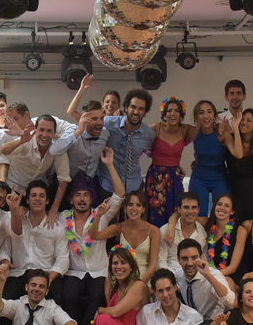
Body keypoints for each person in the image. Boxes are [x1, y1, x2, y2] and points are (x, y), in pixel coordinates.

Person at [59, 152, 125, 325]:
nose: (82, 199)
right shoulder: (61, 218)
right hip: (74, 272)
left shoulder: (101, 214)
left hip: (99, 271)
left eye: (86, 195)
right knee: (69, 298)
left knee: (97, 297)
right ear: (71, 199)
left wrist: (110, 165)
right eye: (78, 195)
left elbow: (120, 194)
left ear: (91, 198)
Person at [2, 179, 69, 300]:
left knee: (58, 298)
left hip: (46, 273)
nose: (37, 199)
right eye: (33, 195)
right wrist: (5, 262)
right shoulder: (16, 220)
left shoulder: (57, 227)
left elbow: (63, 260)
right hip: (19, 273)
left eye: (41, 196)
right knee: (5, 301)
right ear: (27, 200)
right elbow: (5, 248)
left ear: (47, 201)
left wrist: (48, 278)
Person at [0, 114, 71, 218]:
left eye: (49, 131)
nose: (45, 135)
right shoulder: (27, 140)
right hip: (14, 190)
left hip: (36, 194)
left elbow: (64, 179)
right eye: (41, 130)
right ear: (35, 130)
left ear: (55, 133)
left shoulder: (58, 148)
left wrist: (54, 209)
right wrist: (21, 141)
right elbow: (4, 150)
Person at [90, 189, 160, 283]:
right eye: (130, 205)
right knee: (107, 282)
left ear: (143, 209)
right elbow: (95, 235)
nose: (134, 208)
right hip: (124, 279)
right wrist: (98, 216)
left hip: (145, 280)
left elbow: (153, 265)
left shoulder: (154, 231)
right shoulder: (119, 228)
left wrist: (141, 285)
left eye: (138, 205)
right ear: (125, 208)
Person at [145, 97, 195, 225]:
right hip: (156, 177)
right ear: (164, 113)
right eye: (169, 110)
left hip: (175, 177)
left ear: (181, 114)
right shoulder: (156, 127)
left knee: (176, 211)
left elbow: (203, 133)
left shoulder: (185, 130)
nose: (173, 113)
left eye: (177, 111)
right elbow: (140, 141)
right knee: (156, 213)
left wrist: (198, 162)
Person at [98, 88, 155, 195]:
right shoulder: (108, 123)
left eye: (141, 109)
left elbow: (156, 154)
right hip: (108, 186)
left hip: (133, 187)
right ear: (126, 107)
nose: (136, 112)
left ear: (145, 112)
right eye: (133, 107)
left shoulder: (148, 134)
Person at [188, 99, 237, 218]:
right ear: (196, 116)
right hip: (199, 176)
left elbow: (237, 153)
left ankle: (222, 237)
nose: (206, 116)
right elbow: (175, 146)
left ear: (215, 115)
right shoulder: (192, 132)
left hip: (219, 176)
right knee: (198, 213)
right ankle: (198, 237)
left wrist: (234, 131)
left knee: (223, 212)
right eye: (201, 112)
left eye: (209, 112)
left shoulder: (222, 132)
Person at [174, 239, 237, 319]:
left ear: (201, 257)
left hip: (212, 323)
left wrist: (208, 276)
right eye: (185, 258)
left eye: (194, 258)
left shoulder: (213, 274)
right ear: (178, 260)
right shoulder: (178, 274)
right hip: (190, 322)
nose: (190, 263)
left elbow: (231, 302)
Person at [225, 108, 253, 221]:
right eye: (242, 120)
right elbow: (238, 156)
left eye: (248, 121)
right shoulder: (232, 139)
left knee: (250, 185)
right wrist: (235, 130)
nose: (243, 123)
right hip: (235, 189)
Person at [160, 193, 207, 273]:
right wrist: (175, 278)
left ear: (198, 209)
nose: (190, 211)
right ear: (179, 209)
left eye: (194, 207)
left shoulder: (202, 232)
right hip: (170, 277)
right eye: (186, 207)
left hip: (195, 277)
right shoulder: (165, 230)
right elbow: (161, 262)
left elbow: (204, 260)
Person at [200, 193, 236, 273]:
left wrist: (213, 277)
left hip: (230, 275)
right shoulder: (208, 226)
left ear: (232, 211)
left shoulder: (240, 230)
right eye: (219, 204)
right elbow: (189, 216)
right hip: (210, 273)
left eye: (227, 206)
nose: (222, 208)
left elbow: (233, 267)